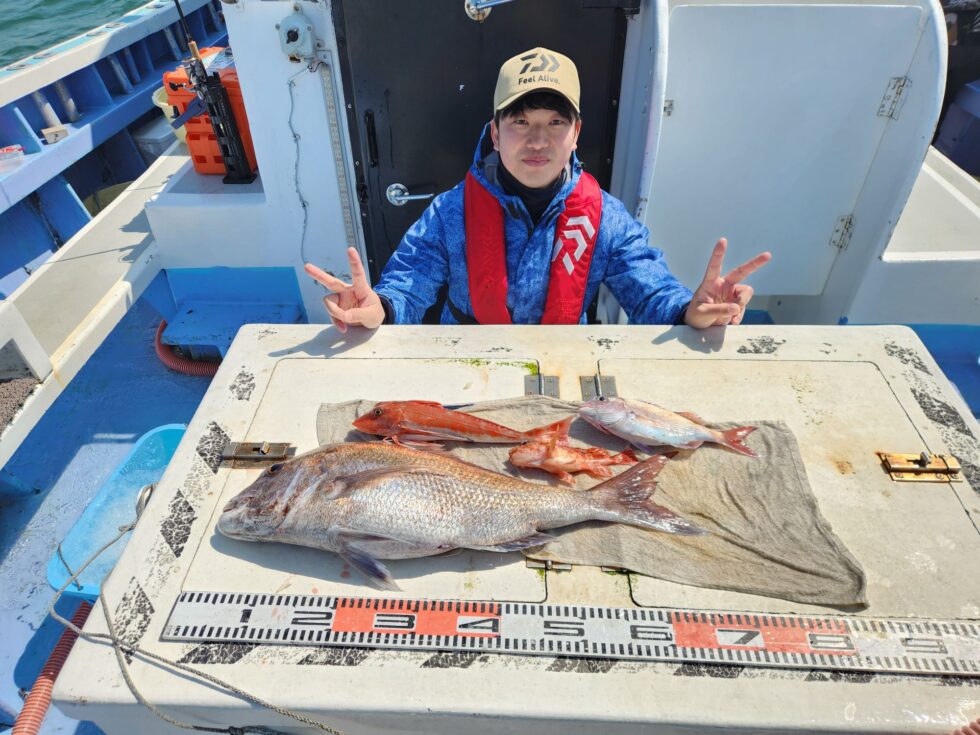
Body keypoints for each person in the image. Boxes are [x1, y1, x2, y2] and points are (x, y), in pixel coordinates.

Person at [305, 47, 770, 332]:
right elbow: (409, 285)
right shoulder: (450, 212)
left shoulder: (606, 218)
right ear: (495, 133)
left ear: (576, 133)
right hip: (466, 368)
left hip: (564, 368)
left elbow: (650, 293)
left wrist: (690, 311)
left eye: (555, 122)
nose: (538, 140)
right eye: (521, 121)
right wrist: (380, 307)